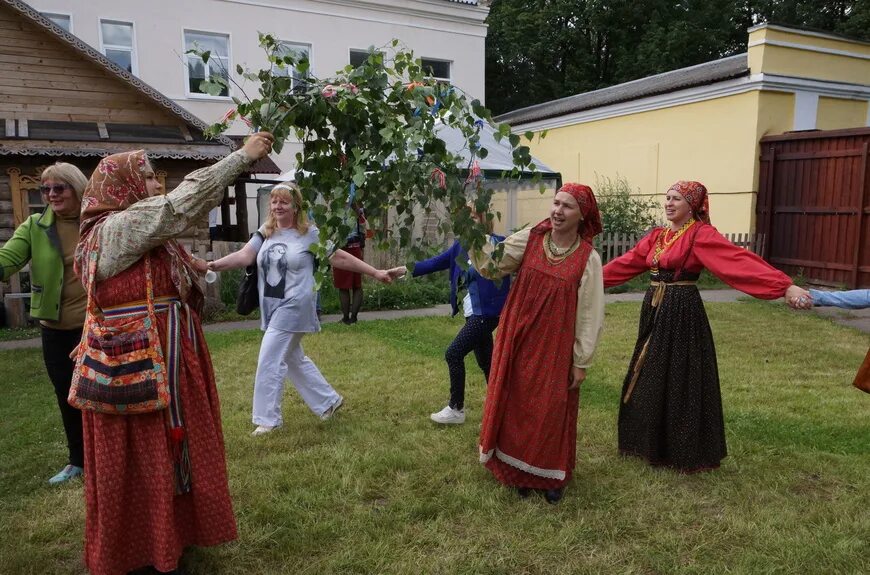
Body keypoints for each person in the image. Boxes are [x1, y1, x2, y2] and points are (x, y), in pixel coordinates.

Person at [73, 132, 275, 575]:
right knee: (143, 453)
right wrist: (240, 158)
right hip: (134, 365)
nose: (155, 185)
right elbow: (178, 206)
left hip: (169, 354)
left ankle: (175, 537)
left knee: (174, 449)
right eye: (145, 177)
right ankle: (141, 548)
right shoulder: (112, 232)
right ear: (120, 186)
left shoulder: (147, 238)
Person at [602, 180, 810, 473]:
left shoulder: (700, 235)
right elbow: (626, 263)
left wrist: (784, 287)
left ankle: (682, 449)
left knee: (680, 375)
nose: (669, 203)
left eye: (676, 199)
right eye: (668, 198)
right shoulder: (657, 237)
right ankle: (645, 444)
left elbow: (738, 262)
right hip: (653, 308)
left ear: (693, 206)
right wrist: (588, 280)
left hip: (682, 311)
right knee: (648, 370)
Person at [208, 183, 400, 436]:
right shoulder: (265, 233)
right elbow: (244, 256)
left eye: (284, 202)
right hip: (272, 306)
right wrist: (211, 265)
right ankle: (327, 402)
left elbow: (339, 257)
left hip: (297, 303)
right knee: (292, 357)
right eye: (275, 201)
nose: (278, 206)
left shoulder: (310, 233)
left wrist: (375, 272)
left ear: (296, 206)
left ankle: (268, 419)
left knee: (269, 357)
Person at [470, 183, 605, 504]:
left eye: (567, 206)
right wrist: (475, 231)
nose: (558, 211)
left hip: (556, 346)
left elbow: (590, 314)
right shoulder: (530, 239)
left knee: (550, 408)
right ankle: (518, 470)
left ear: (581, 215)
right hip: (518, 336)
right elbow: (493, 265)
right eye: (556, 203)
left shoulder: (588, 259)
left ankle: (549, 476)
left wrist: (581, 361)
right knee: (517, 403)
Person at [0, 162, 89, 485]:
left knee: (102, 395)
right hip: (55, 329)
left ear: (77, 188)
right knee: (66, 394)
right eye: (46, 189)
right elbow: (7, 262)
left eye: (59, 188)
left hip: (93, 328)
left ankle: (106, 455)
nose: (51, 194)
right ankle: (77, 461)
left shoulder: (95, 223)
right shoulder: (35, 227)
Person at [407, 210, 511, 425]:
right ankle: (504, 410)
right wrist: (402, 270)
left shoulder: (498, 244)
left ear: (484, 220)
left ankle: (456, 408)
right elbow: (434, 263)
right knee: (487, 363)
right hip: (472, 313)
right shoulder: (461, 247)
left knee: (453, 354)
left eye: (472, 216)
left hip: (486, 315)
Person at [333, 202, 368, 324]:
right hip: (351, 248)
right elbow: (363, 225)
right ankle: (350, 318)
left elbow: (363, 222)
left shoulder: (339, 207)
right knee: (351, 284)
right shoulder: (354, 207)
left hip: (344, 248)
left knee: (351, 285)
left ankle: (349, 317)